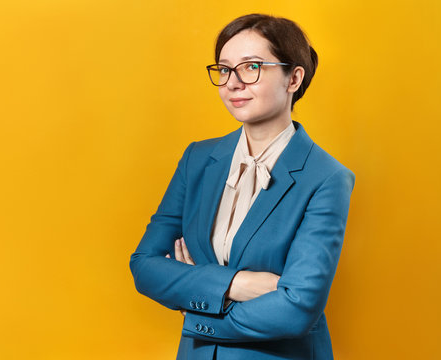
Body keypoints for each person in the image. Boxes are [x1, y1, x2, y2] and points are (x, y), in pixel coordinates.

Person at [130, 13, 355, 360]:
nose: (232, 83)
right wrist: (237, 285)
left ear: (293, 78)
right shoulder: (198, 159)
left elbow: (298, 308)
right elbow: (145, 265)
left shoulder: (326, 177)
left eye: (251, 67)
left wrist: (196, 302)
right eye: (224, 69)